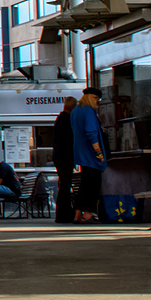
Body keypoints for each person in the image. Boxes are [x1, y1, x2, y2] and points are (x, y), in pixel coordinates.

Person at [70, 88, 108, 223]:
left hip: (80, 153)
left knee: (84, 184)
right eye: (96, 98)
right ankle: (88, 214)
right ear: (91, 98)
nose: (98, 101)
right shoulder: (88, 111)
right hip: (90, 155)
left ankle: (78, 214)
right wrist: (99, 153)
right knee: (92, 185)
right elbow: (91, 133)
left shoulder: (75, 111)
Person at [51, 97, 76, 224]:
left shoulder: (59, 119)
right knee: (65, 185)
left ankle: (62, 213)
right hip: (65, 157)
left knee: (63, 185)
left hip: (59, 157)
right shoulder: (67, 120)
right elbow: (70, 140)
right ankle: (64, 214)